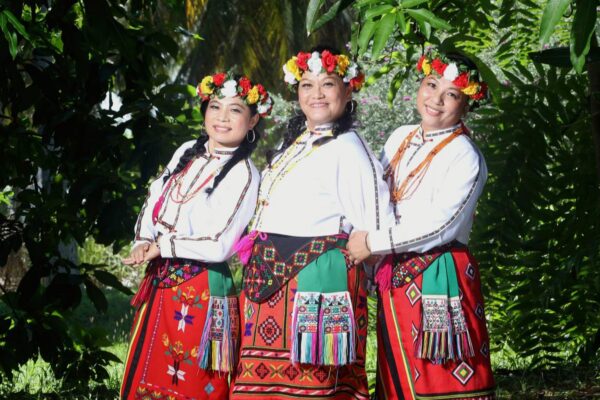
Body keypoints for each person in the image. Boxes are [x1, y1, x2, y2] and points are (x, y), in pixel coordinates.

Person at [229, 47, 393, 400]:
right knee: (261, 387)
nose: (316, 94)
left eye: (327, 84)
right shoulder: (298, 142)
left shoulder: (349, 147)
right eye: (307, 85)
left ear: (347, 91)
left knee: (315, 384)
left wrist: (359, 264)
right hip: (270, 277)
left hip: (316, 279)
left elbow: (376, 223)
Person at [347, 49, 496, 399]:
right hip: (394, 274)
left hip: (438, 274)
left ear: (466, 105)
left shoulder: (465, 155)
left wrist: (374, 242)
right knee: (397, 374)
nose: (437, 100)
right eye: (431, 85)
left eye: (452, 94)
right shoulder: (400, 137)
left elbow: (439, 227)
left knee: (439, 375)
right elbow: (379, 198)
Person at [119, 72, 273, 400]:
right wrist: (143, 239)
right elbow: (155, 195)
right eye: (215, 106)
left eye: (235, 110)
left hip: (202, 289)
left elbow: (220, 245)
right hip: (160, 283)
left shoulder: (245, 175)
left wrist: (162, 246)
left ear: (253, 120)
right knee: (148, 375)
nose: (222, 117)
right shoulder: (187, 150)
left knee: (194, 385)